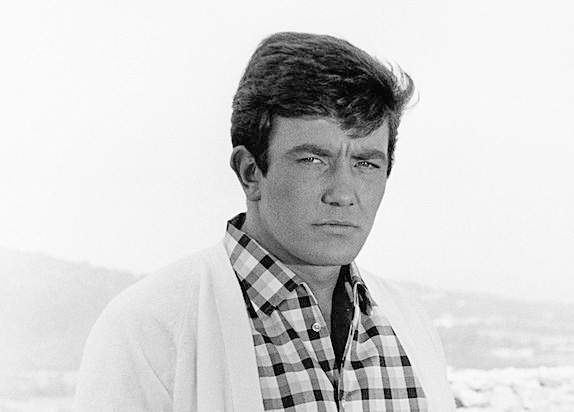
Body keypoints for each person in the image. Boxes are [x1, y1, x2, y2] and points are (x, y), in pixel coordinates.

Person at [74, 32, 455, 412]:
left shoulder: (410, 323)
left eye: (366, 163)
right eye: (312, 160)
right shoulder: (149, 326)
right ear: (250, 171)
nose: (342, 193)